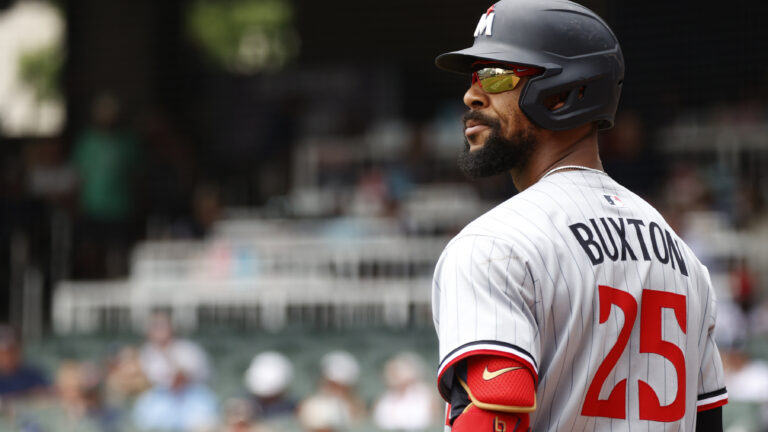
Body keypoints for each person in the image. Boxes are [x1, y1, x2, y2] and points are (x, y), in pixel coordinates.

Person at [431, 1, 728, 431]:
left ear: (564, 91)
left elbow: (491, 415)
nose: (472, 93)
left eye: (496, 73)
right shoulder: (683, 260)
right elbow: (709, 423)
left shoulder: (495, 245)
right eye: (475, 75)